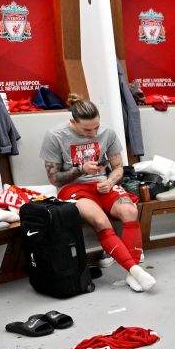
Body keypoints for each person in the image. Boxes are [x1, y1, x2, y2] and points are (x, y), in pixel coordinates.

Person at [40, 95, 153, 293]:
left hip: (103, 184)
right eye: (86, 130)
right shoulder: (55, 135)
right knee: (100, 221)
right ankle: (135, 270)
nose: (93, 133)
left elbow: (118, 167)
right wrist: (80, 169)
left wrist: (110, 181)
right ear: (73, 121)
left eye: (96, 127)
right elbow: (54, 179)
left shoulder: (107, 132)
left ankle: (131, 273)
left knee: (129, 211)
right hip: (73, 188)